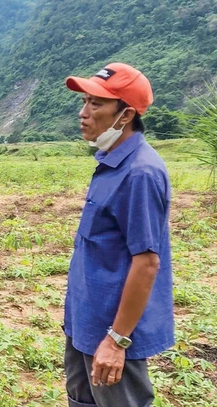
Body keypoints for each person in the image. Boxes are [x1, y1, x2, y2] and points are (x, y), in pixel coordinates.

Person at [62, 63, 174, 407]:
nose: (83, 113)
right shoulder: (112, 162)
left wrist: (117, 340)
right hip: (87, 319)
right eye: (84, 102)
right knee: (82, 400)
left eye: (96, 104)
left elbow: (147, 263)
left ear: (124, 115)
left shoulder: (140, 173)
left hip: (112, 329)